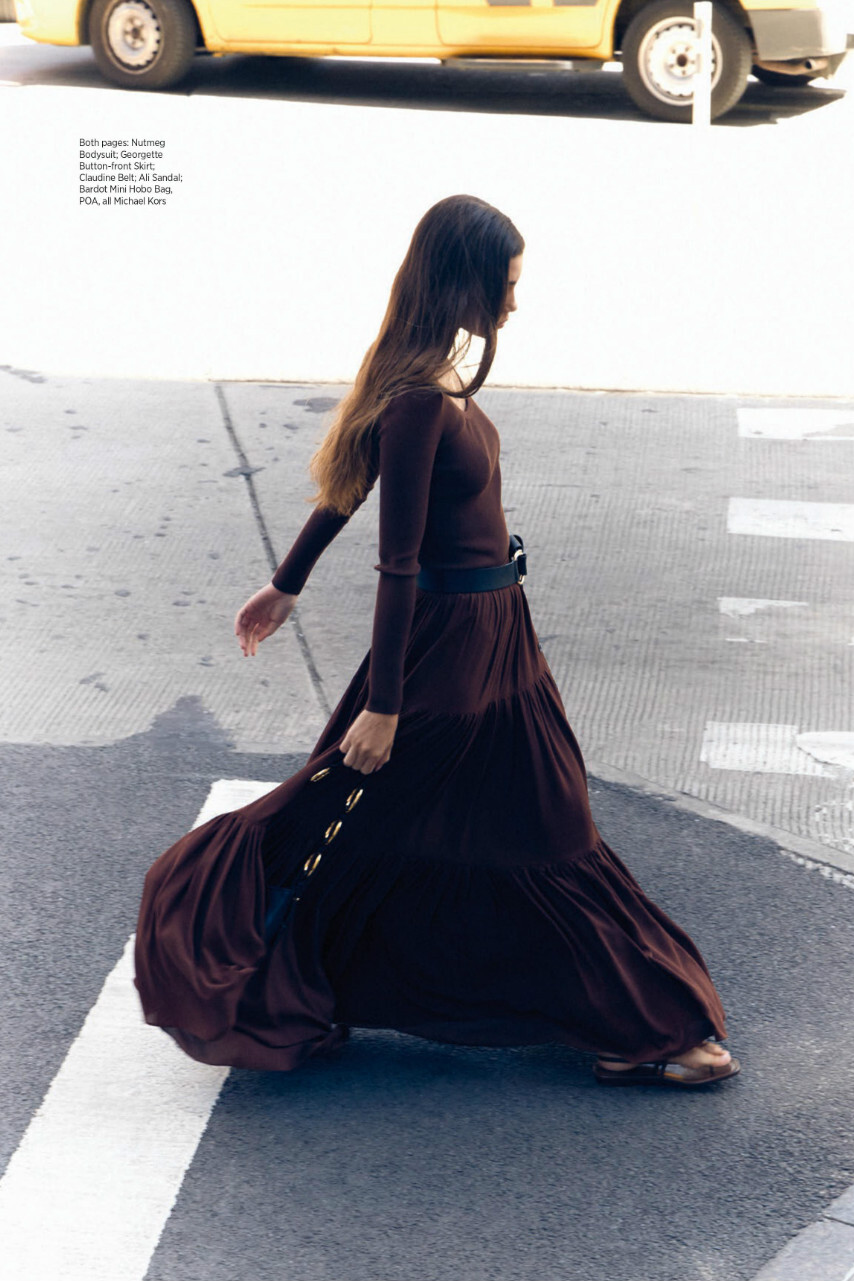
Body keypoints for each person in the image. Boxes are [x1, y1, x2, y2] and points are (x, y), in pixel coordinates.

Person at [134, 194, 739, 1089]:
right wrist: (383, 704)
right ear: (464, 280)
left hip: (501, 639)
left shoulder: (427, 377)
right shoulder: (419, 395)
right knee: (460, 823)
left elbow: (349, 483)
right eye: (506, 285)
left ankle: (327, 995)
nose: (514, 304)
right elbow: (398, 559)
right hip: (448, 649)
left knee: (494, 821)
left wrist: (287, 582)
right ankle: (640, 1025)